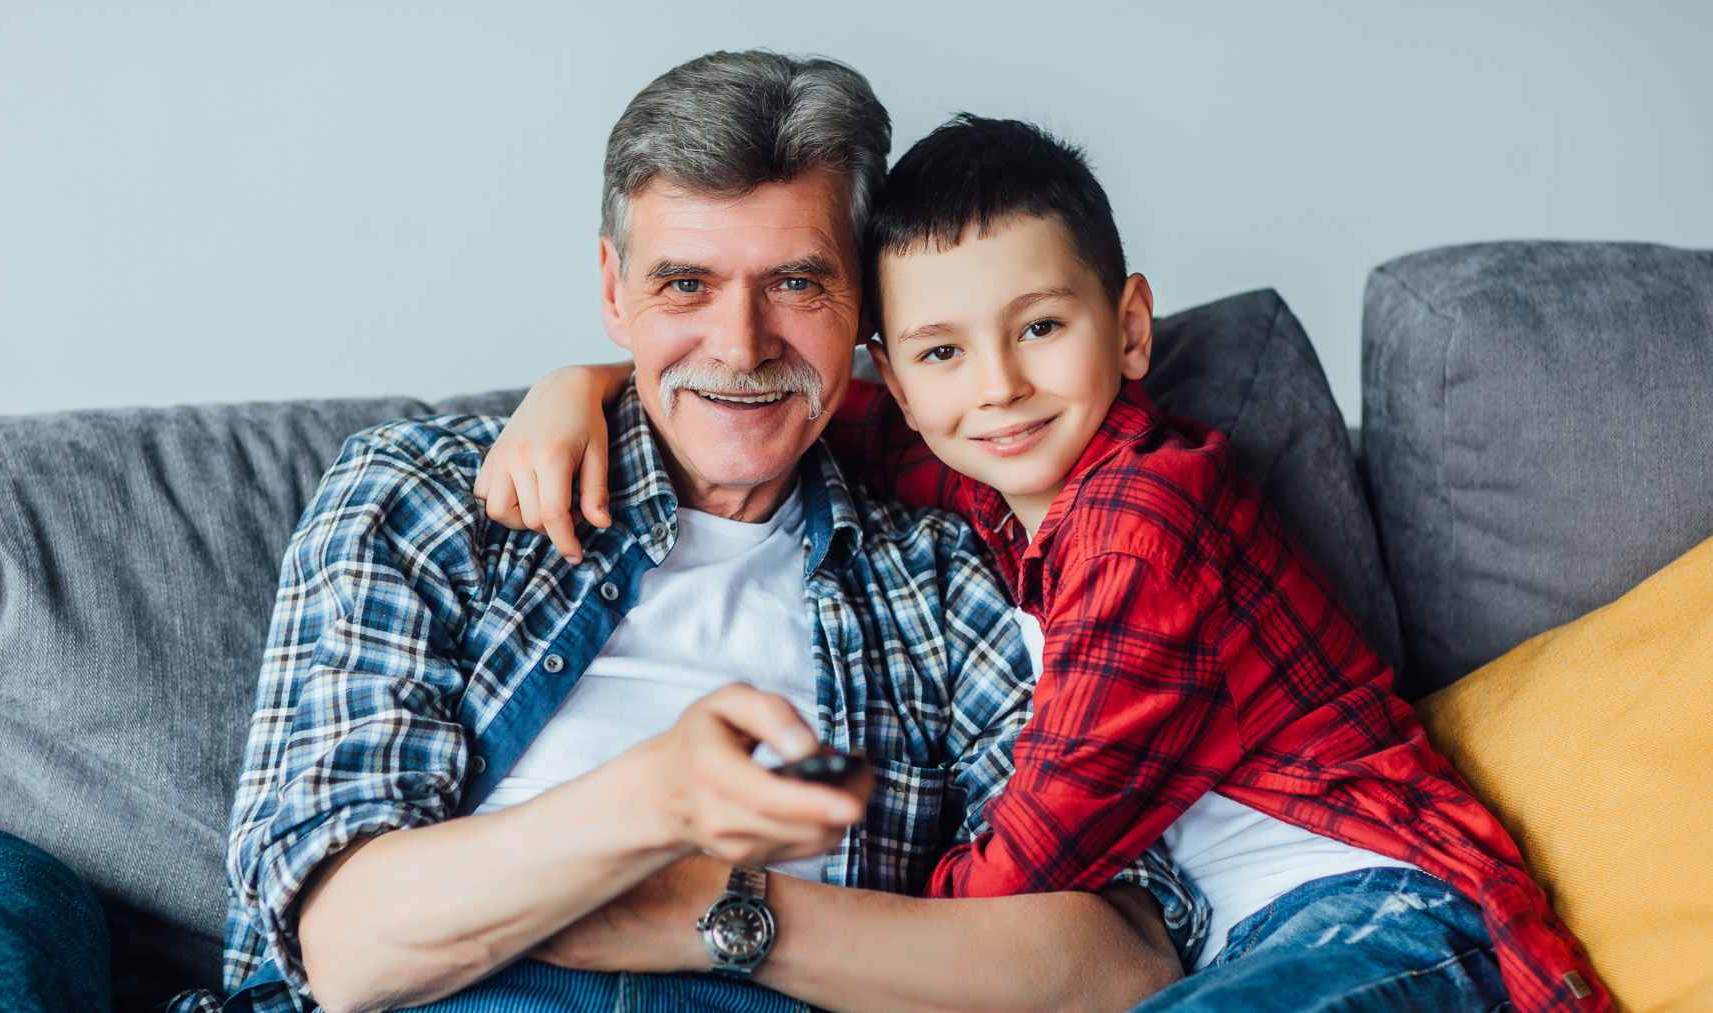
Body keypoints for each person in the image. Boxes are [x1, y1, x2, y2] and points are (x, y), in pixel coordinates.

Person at [477, 115, 1611, 1011]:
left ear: (1127, 327)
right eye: (942, 352)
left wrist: (885, 951)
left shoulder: (1149, 519)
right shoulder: (970, 471)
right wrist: (580, 387)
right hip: (1224, 943)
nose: (999, 386)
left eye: (1040, 328)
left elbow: (1036, 847)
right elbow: (773, 399)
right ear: (899, 376)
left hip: (1369, 906)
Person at [167, 54, 1204, 1013]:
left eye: (797, 283)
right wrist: (655, 799)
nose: (742, 345)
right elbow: (343, 948)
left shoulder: (933, 577)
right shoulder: (429, 497)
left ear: (864, 314)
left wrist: (723, 911)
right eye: (685, 285)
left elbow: (1127, 955)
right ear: (615, 291)